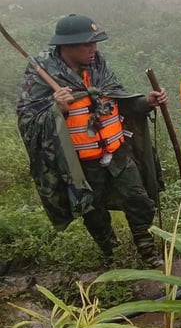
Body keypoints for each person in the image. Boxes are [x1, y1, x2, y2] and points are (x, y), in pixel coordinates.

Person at [16, 13, 167, 265]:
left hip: (117, 151)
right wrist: (58, 109)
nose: (93, 49)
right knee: (93, 211)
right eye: (87, 44)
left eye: (95, 43)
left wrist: (146, 102)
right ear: (67, 46)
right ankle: (112, 255)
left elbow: (118, 99)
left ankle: (148, 252)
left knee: (139, 200)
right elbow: (28, 120)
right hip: (81, 162)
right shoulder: (42, 74)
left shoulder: (99, 66)